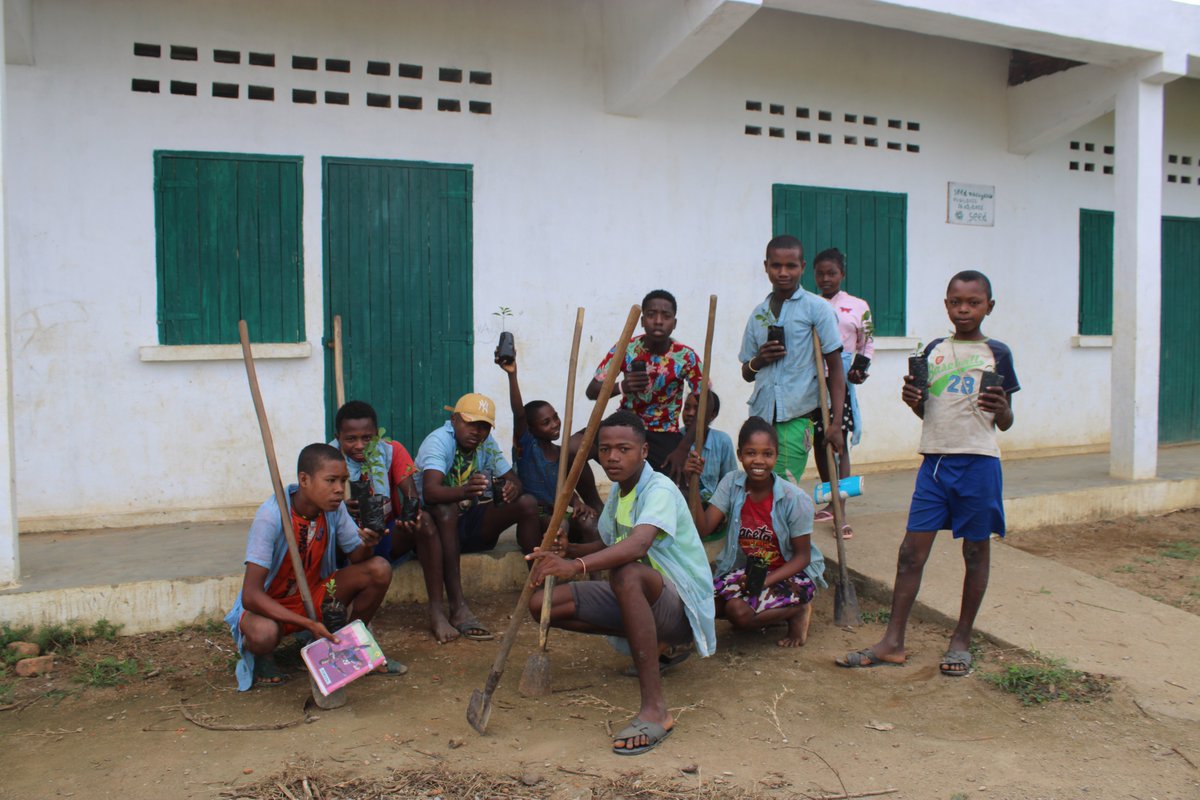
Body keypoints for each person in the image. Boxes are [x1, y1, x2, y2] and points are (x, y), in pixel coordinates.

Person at [836, 270, 1018, 677]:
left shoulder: (998, 353)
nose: (964, 309)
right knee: (909, 553)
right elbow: (927, 412)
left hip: (979, 464)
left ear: (990, 305)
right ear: (946, 305)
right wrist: (913, 401)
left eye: (973, 302)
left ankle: (961, 640)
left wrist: (1003, 408)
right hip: (934, 464)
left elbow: (1004, 420)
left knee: (975, 551)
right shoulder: (933, 351)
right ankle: (893, 641)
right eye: (956, 302)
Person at [527, 411, 716, 756]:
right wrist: (567, 552)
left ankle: (656, 709)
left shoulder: (659, 489)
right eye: (605, 449)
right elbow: (609, 544)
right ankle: (652, 643)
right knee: (541, 605)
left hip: (681, 606)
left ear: (644, 451)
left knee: (626, 572)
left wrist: (576, 565)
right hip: (640, 597)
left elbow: (638, 544)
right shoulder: (619, 491)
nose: (613, 457)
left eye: (624, 449)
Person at [224, 443, 400, 691]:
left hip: (314, 594)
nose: (339, 490)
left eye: (342, 480)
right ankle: (264, 657)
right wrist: (309, 624)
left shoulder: (334, 510)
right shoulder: (272, 516)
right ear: (304, 480)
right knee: (263, 635)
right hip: (270, 606)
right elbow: (251, 596)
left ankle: (347, 646)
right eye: (330, 480)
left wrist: (369, 543)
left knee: (379, 568)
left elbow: (359, 558)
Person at [414, 393, 541, 641]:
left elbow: (511, 477)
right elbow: (430, 492)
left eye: (483, 426)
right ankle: (457, 607)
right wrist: (463, 491)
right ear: (454, 420)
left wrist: (512, 487)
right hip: (436, 532)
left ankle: (537, 588)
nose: (477, 432)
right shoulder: (439, 441)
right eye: (471, 423)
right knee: (446, 508)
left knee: (527, 503)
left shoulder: (485, 442)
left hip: (470, 523)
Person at [689, 417, 826, 647]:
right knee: (706, 605)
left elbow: (802, 557)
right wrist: (691, 479)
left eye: (767, 454)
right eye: (751, 453)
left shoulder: (794, 499)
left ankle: (797, 611)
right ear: (740, 454)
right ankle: (769, 609)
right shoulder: (732, 483)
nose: (759, 461)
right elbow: (703, 528)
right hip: (750, 572)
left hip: (790, 574)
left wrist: (764, 582)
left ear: (776, 455)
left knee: (737, 612)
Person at [332, 400, 460, 643]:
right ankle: (353, 616)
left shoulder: (391, 451)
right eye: (350, 439)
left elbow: (411, 494)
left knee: (424, 522)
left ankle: (436, 610)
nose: (360, 445)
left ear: (377, 435)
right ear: (337, 437)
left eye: (368, 438)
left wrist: (411, 514)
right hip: (346, 546)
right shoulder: (327, 458)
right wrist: (338, 508)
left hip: (386, 536)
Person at [739, 235, 847, 488]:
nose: (783, 272)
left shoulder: (816, 309)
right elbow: (746, 372)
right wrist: (761, 359)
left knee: (782, 488)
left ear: (803, 267)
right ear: (766, 266)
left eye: (791, 266)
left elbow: (836, 366)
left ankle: (787, 528)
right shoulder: (758, 314)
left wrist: (837, 422)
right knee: (758, 488)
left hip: (797, 418)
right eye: (776, 266)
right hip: (761, 417)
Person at [583, 290, 703, 478]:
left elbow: (706, 400)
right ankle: (595, 505)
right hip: (624, 426)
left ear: (674, 323)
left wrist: (683, 447)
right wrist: (623, 386)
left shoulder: (686, 357)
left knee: (679, 488)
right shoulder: (626, 347)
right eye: (651, 314)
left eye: (666, 316)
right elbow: (592, 391)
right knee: (573, 450)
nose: (658, 321)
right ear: (641, 320)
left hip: (664, 432)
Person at [495, 346, 602, 543]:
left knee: (590, 522)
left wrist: (578, 503)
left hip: (560, 516)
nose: (554, 424)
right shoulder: (526, 449)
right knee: (560, 526)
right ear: (531, 429)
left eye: (555, 417)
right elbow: (519, 414)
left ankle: (589, 570)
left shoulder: (562, 454)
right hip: (536, 521)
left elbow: (563, 489)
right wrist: (512, 376)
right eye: (546, 423)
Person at [811, 248, 875, 539]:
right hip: (809, 382)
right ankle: (829, 499)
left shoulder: (858, 306)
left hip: (840, 384)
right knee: (818, 442)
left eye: (832, 273)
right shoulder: (808, 304)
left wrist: (859, 369)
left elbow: (867, 342)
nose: (826, 279)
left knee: (839, 444)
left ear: (842, 275)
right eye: (821, 273)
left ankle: (841, 513)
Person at [679, 389, 736, 507]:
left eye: (697, 409)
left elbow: (730, 483)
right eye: (687, 407)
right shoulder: (675, 438)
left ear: (712, 415)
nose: (690, 413)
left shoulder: (723, 442)